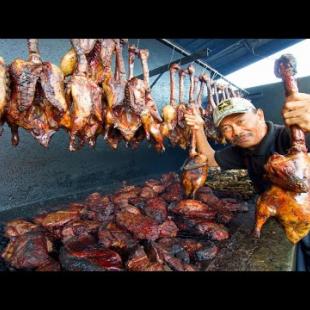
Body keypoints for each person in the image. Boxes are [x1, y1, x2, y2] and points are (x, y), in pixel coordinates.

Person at [184, 93, 310, 271]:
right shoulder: (242, 149)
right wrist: (197, 128)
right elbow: (211, 159)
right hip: (279, 221)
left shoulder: (288, 136)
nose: (235, 131)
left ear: (260, 115)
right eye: (226, 128)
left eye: (241, 121)